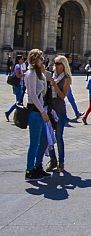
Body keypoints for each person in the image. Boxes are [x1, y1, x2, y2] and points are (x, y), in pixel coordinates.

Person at [23, 49, 50, 180]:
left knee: (44, 141)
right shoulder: (31, 73)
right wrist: (43, 112)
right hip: (35, 112)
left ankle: (38, 166)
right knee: (34, 142)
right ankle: (29, 170)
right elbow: (32, 95)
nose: (43, 60)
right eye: (41, 58)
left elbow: (43, 90)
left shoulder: (39, 73)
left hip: (39, 110)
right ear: (34, 59)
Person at [45, 55, 70, 173]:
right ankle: (53, 160)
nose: (55, 65)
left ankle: (61, 162)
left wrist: (55, 86)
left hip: (60, 110)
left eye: (58, 63)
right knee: (48, 136)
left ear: (63, 65)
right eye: (54, 63)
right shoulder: (51, 76)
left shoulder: (66, 78)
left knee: (59, 137)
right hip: (50, 109)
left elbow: (63, 96)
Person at [5, 54, 24, 121]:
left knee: (18, 102)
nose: (22, 60)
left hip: (18, 85)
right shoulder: (17, 66)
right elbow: (18, 76)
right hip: (18, 85)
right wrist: (24, 75)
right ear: (18, 60)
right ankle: (10, 113)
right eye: (21, 59)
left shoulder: (18, 66)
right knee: (18, 102)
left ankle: (11, 113)